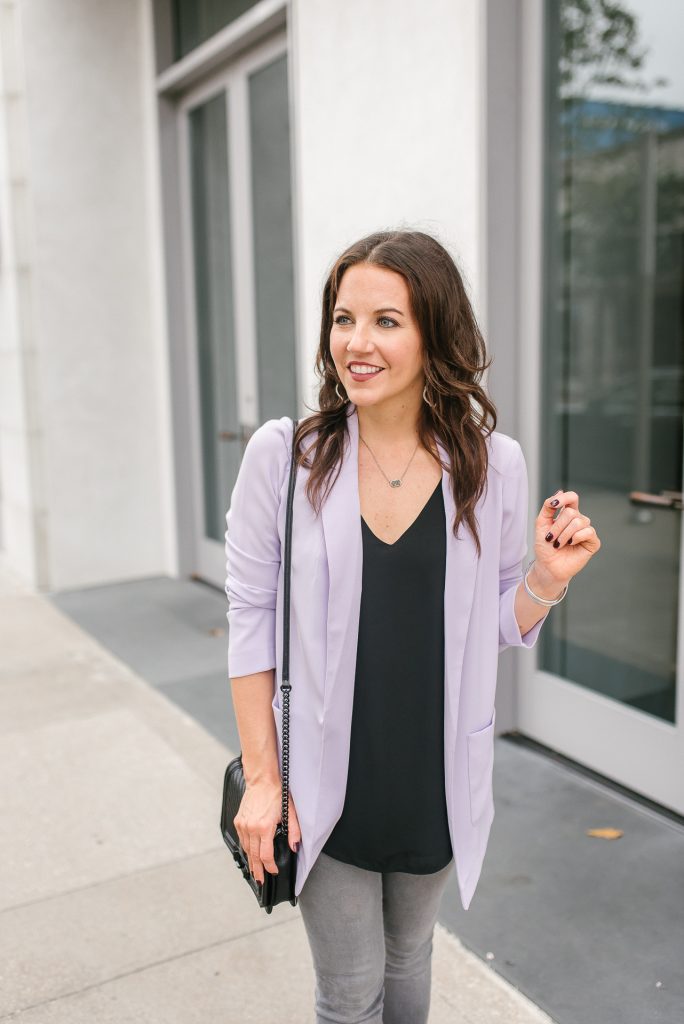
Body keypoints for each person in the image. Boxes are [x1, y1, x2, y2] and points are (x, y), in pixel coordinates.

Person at [225, 229, 601, 1024]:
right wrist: (263, 781)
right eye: (343, 318)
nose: (356, 343)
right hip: (326, 783)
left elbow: (497, 620)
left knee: (410, 961)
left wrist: (544, 580)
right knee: (348, 993)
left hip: (437, 775)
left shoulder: (492, 466)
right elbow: (251, 618)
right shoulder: (284, 459)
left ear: (435, 333)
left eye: (386, 321)